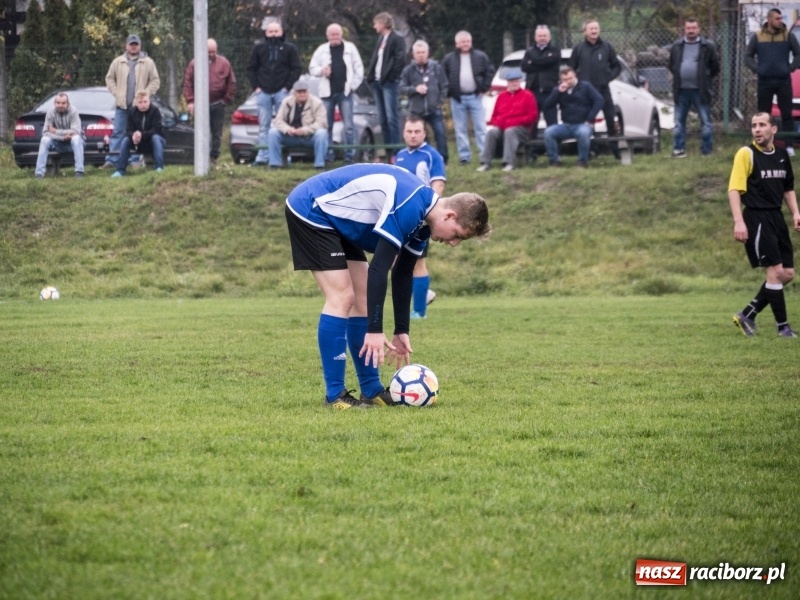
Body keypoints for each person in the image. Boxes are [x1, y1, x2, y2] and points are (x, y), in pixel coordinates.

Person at [284, 163, 490, 409]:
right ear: (450, 216)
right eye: (458, 235)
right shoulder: (410, 206)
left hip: (338, 219)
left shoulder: (424, 222)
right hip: (312, 208)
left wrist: (401, 330)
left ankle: (371, 390)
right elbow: (379, 269)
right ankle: (334, 395)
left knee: (361, 300)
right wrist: (374, 330)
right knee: (342, 297)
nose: (454, 243)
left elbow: (402, 273)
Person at [730, 113, 800, 338]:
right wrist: (738, 221)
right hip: (756, 217)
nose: (757, 129)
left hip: (776, 217)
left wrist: (796, 213)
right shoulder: (746, 153)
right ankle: (783, 328)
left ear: (774, 129)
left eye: (762, 125)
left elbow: (788, 189)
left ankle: (747, 314)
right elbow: (734, 189)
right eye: (754, 126)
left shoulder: (781, 155)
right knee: (775, 271)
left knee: (787, 273)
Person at [395, 116, 446, 319]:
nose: (413, 135)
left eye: (417, 131)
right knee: (394, 260)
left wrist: (428, 212)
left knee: (417, 262)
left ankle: (419, 311)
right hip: (399, 217)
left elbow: (438, 185)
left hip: (420, 218)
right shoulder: (400, 156)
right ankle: (424, 294)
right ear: (404, 133)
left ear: (424, 133)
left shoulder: (432, 155)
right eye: (409, 131)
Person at [745, 7, 800, 156]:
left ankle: (788, 146)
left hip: (783, 81)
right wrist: (758, 69)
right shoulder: (758, 36)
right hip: (765, 81)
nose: (780, 21)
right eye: (777, 18)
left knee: (787, 113)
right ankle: (763, 144)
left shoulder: (788, 36)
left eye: (781, 18)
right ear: (769, 19)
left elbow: (798, 54)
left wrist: (790, 68)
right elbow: (748, 57)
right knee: (763, 115)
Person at [247, 21, 302, 166]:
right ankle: (262, 157)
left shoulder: (290, 48)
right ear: (266, 33)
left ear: (281, 32)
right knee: (263, 125)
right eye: (270, 32)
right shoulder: (259, 48)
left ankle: (284, 158)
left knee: (284, 125)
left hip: (282, 92)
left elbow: (296, 68)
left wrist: (287, 87)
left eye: (276, 31)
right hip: (263, 92)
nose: (273, 35)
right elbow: (251, 68)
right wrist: (256, 87)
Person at [309, 23, 364, 164]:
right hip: (327, 94)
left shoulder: (350, 48)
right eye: (332, 35)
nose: (335, 37)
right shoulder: (322, 50)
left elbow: (359, 69)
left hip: (345, 93)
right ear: (327, 36)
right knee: (326, 125)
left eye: (337, 34)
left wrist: (352, 86)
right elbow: (312, 68)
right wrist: (321, 70)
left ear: (341, 35)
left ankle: (349, 155)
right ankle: (328, 155)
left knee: (349, 126)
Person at [102, 34, 160, 169]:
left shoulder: (148, 62)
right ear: (126, 45)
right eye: (131, 44)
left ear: (140, 46)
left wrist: (145, 95)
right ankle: (112, 160)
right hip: (122, 105)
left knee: (137, 133)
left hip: (139, 108)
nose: (133, 47)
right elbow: (109, 79)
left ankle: (135, 161)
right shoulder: (118, 62)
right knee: (118, 132)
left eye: (136, 44)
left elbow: (155, 81)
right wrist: (117, 93)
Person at [668, 18, 720, 158]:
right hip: (681, 90)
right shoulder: (677, 46)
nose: (691, 31)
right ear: (684, 30)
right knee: (679, 122)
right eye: (688, 28)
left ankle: (706, 151)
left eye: (693, 28)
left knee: (706, 122)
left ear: (699, 29)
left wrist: (705, 78)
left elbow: (715, 67)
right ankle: (679, 150)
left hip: (701, 90)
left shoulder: (707, 46)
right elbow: (672, 65)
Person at [441, 30, 495, 165]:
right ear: (456, 44)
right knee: (460, 129)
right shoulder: (449, 59)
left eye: (467, 41)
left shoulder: (480, 56)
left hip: (476, 96)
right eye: (462, 42)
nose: (465, 44)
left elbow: (489, 72)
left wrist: (483, 88)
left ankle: (484, 155)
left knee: (480, 128)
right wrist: (448, 93)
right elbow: (442, 76)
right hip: (457, 99)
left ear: (471, 42)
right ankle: (464, 157)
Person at [569, 20, 621, 158]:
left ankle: (615, 150)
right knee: (588, 121)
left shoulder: (607, 47)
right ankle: (592, 150)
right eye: (591, 29)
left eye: (596, 28)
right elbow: (571, 68)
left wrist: (608, 77)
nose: (594, 31)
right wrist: (577, 83)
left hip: (604, 90)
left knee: (611, 119)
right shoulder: (579, 48)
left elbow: (616, 66)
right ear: (585, 32)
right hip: (586, 93)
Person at [182, 38, 237, 166]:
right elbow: (188, 83)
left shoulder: (224, 63)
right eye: (208, 52)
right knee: (201, 132)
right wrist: (190, 101)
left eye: (213, 51)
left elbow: (231, 82)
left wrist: (226, 99)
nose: (211, 54)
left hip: (218, 103)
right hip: (200, 105)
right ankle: (201, 157)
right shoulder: (194, 64)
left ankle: (214, 157)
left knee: (217, 133)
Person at [542, 66, 604, 168]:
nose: (568, 81)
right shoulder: (558, 89)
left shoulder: (585, 86)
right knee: (548, 132)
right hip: (566, 125)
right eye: (565, 79)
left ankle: (582, 162)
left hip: (583, 124)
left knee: (583, 133)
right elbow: (547, 105)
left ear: (575, 76)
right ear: (561, 80)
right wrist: (557, 92)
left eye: (570, 78)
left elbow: (599, 100)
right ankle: (554, 161)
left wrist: (590, 118)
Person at [477, 70, 537, 172]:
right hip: (503, 128)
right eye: (512, 81)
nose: (514, 83)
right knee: (491, 132)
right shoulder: (501, 96)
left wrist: (514, 122)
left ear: (520, 82)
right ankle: (485, 163)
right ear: (507, 83)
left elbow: (533, 116)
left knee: (510, 131)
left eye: (516, 81)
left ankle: (509, 163)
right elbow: (494, 116)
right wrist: (499, 123)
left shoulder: (528, 95)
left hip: (522, 130)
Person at [400, 40, 449, 164]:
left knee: (440, 134)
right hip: (417, 110)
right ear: (413, 54)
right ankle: (423, 159)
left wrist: (440, 101)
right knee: (420, 136)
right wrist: (415, 89)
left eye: (423, 52)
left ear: (427, 53)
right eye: (418, 53)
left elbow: (444, 86)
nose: (421, 55)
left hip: (434, 108)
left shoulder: (436, 68)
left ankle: (442, 160)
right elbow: (401, 88)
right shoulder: (408, 70)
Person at [366, 12, 406, 153]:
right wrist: (370, 77)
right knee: (382, 119)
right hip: (377, 83)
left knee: (391, 118)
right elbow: (376, 59)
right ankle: (388, 150)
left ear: (383, 23)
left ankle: (396, 150)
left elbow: (400, 59)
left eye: (376, 23)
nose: (374, 27)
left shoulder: (397, 38)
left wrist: (391, 77)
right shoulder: (381, 39)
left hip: (389, 83)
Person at [267, 79, 328, 169]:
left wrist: (305, 130)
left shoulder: (317, 103)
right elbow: (278, 120)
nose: (302, 94)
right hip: (291, 137)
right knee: (273, 132)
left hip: (309, 137)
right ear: (294, 93)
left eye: (304, 91)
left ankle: (319, 166)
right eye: (299, 92)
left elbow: (321, 123)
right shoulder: (286, 102)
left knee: (322, 134)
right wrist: (287, 129)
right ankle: (274, 165)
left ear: (308, 92)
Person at [520, 25, 561, 161]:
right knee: (532, 124)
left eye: (544, 35)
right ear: (535, 37)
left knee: (552, 125)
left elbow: (551, 62)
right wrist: (543, 62)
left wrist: (534, 62)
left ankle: (554, 155)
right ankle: (531, 154)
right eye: (540, 36)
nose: (542, 38)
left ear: (549, 37)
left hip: (549, 92)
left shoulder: (555, 50)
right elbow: (524, 66)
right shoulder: (529, 51)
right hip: (532, 93)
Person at [111, 90, 165, 177]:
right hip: (138, 142)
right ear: (136, 103)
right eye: (140, 102)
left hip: (153, 140)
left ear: (149, 101)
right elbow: (128, 130)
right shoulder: (132, 112)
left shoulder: (155, 111)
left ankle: (159, 168)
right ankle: (120, 171)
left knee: (156, 138)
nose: (143, 105)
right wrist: (133, 135)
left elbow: (157, 129)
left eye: (145, 102)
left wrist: (142, 135)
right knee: (126, 140)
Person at [34, 92, 84, 179]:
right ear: (54, 103)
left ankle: (79, 172)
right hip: (58, 143)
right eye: (58, 103)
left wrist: (56, 131)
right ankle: (39, 173)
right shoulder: (50, 112)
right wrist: (63, 138)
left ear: (68, 103)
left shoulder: (73, 111)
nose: (60, 105)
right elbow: (45, 132)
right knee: (44, 140)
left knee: (76, 138)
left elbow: (76, 131)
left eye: (63, 103)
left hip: (73, 144)